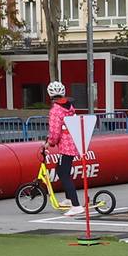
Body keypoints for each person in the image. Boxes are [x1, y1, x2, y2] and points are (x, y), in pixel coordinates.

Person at [43, 80, 84, 215]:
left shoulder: (55, 110)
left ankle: (76, 205)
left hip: (65, 146)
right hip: (74, 142)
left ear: (50, 94)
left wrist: (50, 142)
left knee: (63, 174)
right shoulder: (70, 107)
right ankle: (68, 199)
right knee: (61, 169)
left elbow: (55, 132)